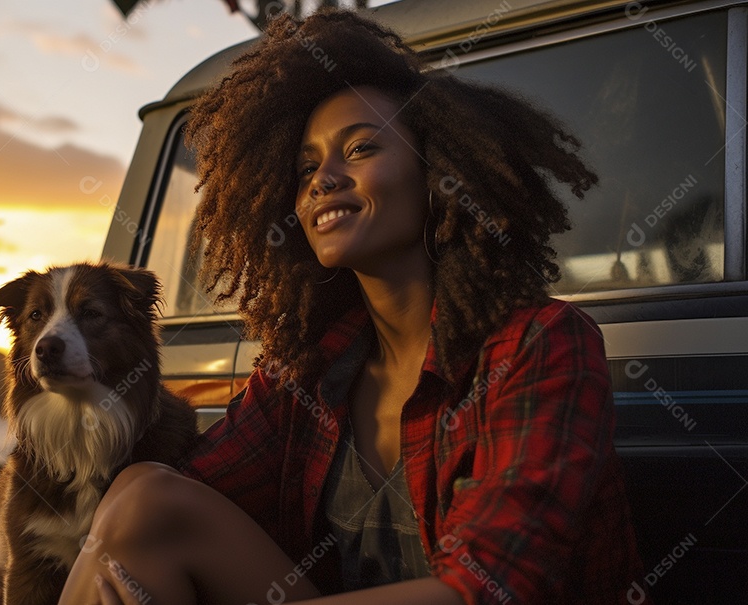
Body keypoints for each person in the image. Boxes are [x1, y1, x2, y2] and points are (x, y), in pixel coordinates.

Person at [58, 8, 644, 605]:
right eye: (307, 167)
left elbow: (487, 589)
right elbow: (176, 502)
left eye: (360, 149)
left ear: (438, 173)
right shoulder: (310, 371)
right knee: (142, 498)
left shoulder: (539, 344)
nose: (323, 180)